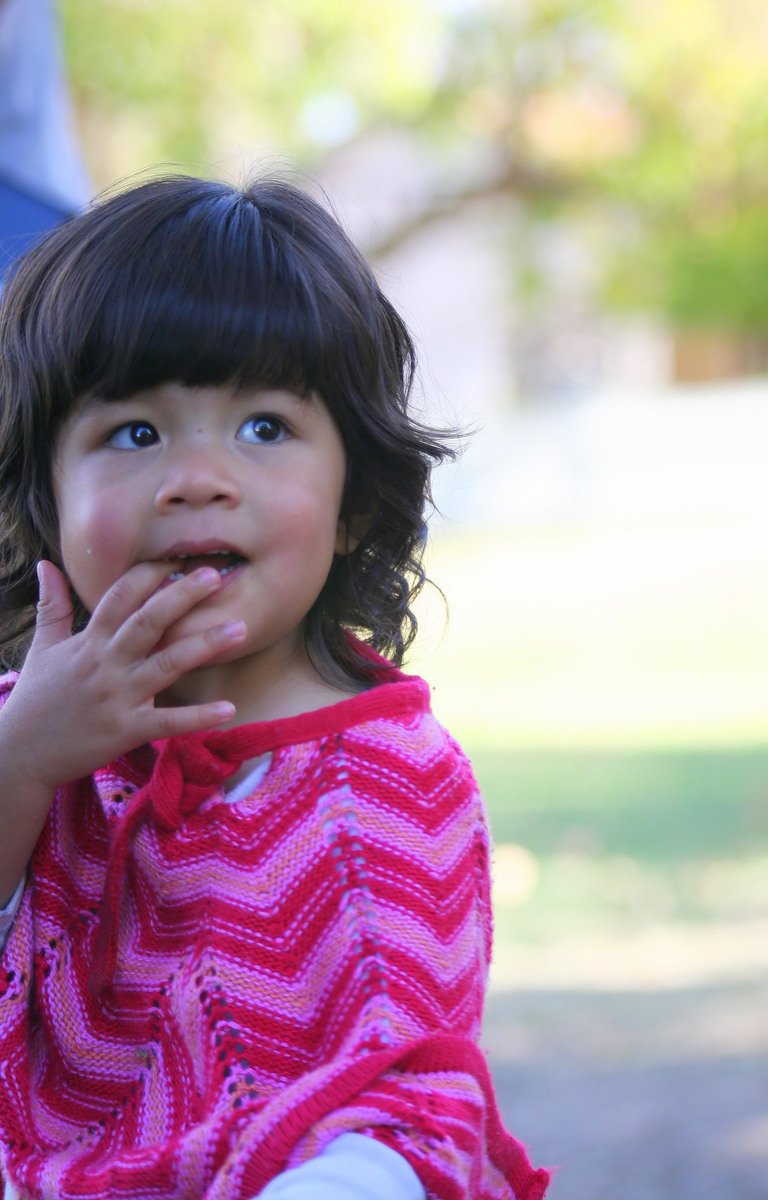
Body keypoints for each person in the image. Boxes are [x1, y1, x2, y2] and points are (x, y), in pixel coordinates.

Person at [0, 174, 549, 1200]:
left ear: (353, 502)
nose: (197, 476)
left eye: (261, 427)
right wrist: (25, 762)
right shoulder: (21, 732)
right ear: (47, 498)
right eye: (133, 433)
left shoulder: (390, 777)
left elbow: (403, 1097)